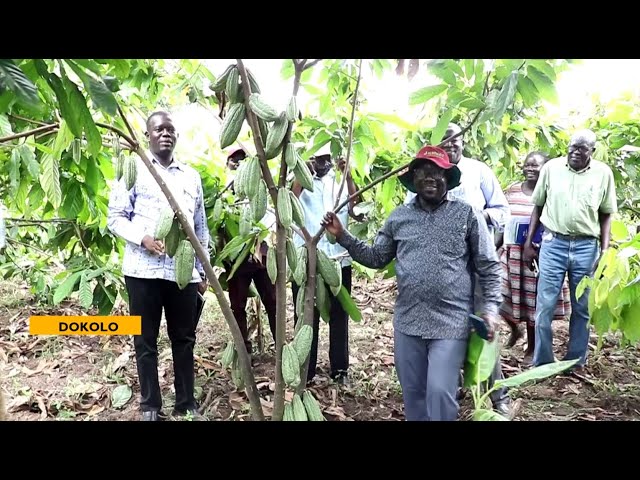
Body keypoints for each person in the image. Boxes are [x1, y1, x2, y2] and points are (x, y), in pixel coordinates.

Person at [321, 146, 502, 421]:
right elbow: (376, 257)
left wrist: (489, 309)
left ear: (447, 178)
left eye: (437, 173)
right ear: (413, 178)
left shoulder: (467, 215)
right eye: (424, 172)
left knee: (440, 392)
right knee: (414, 394)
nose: (431, 178)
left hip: (450, 321)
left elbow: (488, 267)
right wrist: (343, 235)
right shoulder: (399, 217)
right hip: (408, 321)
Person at [107, 111, 209, 421]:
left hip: (182, 272)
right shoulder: (134, 169)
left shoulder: (191, 176)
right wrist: (143, 238)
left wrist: (203, 270)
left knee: (184, 338)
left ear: (176, 136)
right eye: (159, 129)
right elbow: (115, 218)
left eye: (170, 130)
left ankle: (186, 403)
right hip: (142, 271)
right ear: (148, 135)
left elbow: (200, 226)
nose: (165, 134)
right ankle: (151, 406)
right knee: (145, 339)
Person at [405, 123, 512, 415]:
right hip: (441, 268)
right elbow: (410, 212)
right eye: (445, 141)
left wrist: (478, 217)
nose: (451, 145)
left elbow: (503, 211)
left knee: (482, 328)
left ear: (464, 142)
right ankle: (449, 389)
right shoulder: (427, 176)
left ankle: (498, 397)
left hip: (475, 264)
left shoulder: (479, 171)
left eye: (456, 141)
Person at [524, 129, 617, 371]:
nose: (575, 152)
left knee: (582, 307)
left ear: (592, 151)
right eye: (572, 147)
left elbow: (606, 213)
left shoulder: (603, 173)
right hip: (554, 243)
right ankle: (543, 362)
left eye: (581, 149)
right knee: (544, 305)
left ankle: (575, 361)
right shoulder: (551, 169)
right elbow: (538, 206)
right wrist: (528, 243)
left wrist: (605, 251)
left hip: (587, 246)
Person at [291, 143, 363, 385]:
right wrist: (302, 176)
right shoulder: (301, 181)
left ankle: (340, 370)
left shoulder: (338, 181)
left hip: (338, 258)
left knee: (339, 316)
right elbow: (288, 208)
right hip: (307, 260)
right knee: (305, 315)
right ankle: (306, 371)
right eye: (317, 160)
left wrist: (349, 177)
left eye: (326, 160)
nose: (322, 165)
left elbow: (357, 211)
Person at [496, 152, 572, 364]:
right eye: (527, 165)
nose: (530, 169)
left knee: (532, 303)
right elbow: (504, 220)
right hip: (511, 253)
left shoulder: (551, 192)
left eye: (535, 165)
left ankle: (532, 348)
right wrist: (496, 246)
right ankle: (514, 329)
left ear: (545, 168)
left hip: (538, 256)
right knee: (499, 297)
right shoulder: (511, 191)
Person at [222, 147, 278, 356]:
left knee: (272, 302)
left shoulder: (258, 188)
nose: (238, 164)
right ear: (227, 164)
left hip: (261, 254)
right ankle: (244, 351)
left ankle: (280, 346)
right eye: (233, 161)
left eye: (242, 159)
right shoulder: (224, 191)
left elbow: (269, 218)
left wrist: (264, 247)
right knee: (237, 306)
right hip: (236, 257)